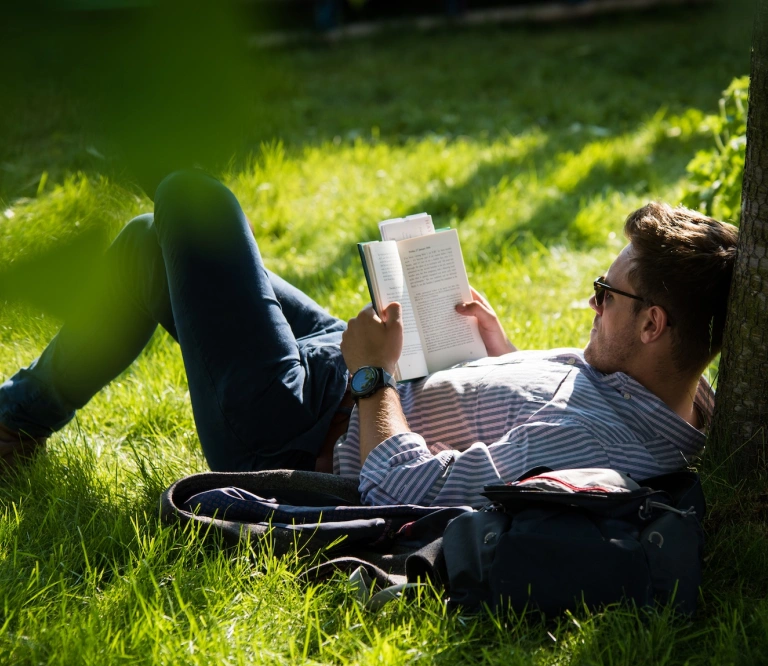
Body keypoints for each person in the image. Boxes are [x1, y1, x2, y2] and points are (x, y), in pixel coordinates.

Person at [0, 170, 737, 508]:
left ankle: (16, 418)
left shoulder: (611, 445)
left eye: (607, 295)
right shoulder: (676, 392)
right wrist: (501, 354)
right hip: (339, 374)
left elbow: (408, 490)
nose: (591, 301)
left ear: (653, 323)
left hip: (291, 427)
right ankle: (19, 419)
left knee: (192, 202)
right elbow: (532, 412)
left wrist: (372, 378)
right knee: (150, 244)